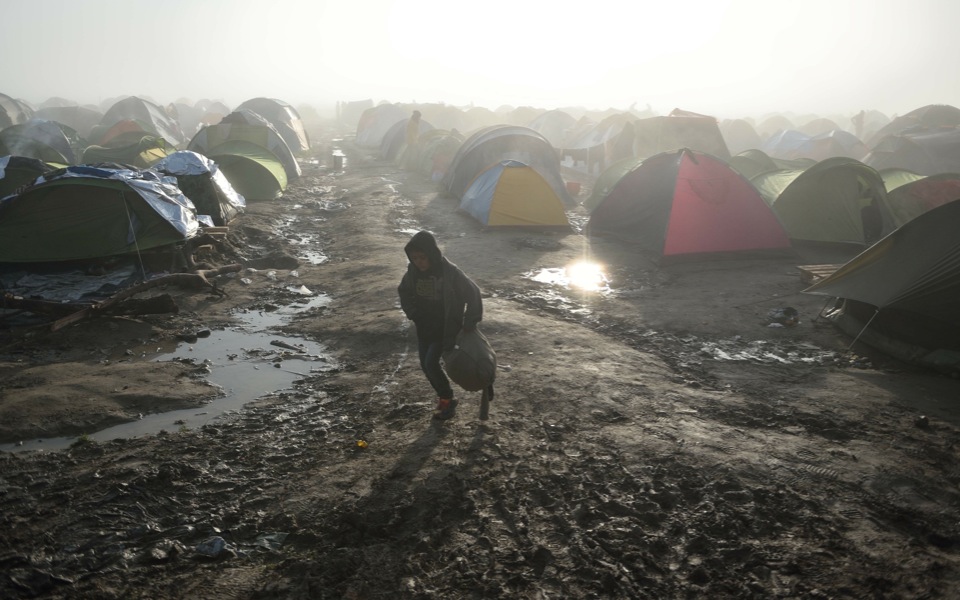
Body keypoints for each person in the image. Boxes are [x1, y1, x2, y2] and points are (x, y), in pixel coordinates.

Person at [398, 230, 484, 420]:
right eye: (414, 258)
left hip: (445, 328)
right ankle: (445, 396)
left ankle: (447, 399)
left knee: (431, 363)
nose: (419, 262)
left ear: (432, 254)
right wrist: (413, 313)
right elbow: (403, 292)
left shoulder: (450, 272)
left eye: (422, 257)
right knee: (425, 365)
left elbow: (473, 292)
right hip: (424, 328)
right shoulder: (412, 273)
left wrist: (470, 320)